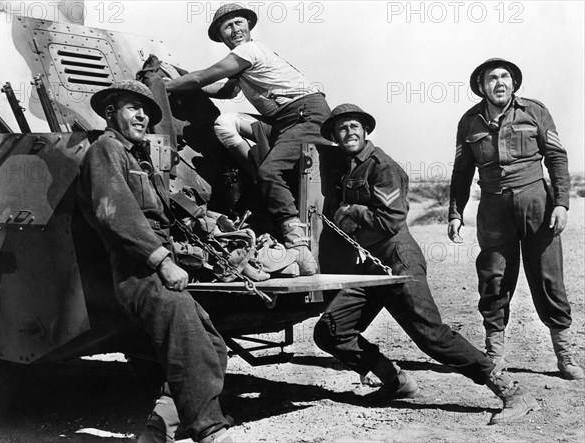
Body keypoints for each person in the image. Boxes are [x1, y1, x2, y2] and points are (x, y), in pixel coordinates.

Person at [313, 103, 540, 425]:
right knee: (331, 331)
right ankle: (395, 381)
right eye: (341, 129)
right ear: (336, 136)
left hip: (397, 261)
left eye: (353, 127)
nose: (348, 133)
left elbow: (391, 219)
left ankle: (512, 391)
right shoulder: (349, 168)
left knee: (431, 336)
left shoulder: (383, 166)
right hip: (370, 265)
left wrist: (350, 212)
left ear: (365, 131)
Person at [77, 80, 232, 443]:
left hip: (155, 267)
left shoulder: (135, 157)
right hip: (138, 271)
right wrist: (162, 261)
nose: (142, 115)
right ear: (111, 112)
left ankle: (160, 427)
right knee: (189, 339)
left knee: (213, 345)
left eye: (145, 110)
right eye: (132, 107)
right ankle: (209, 429)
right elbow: (116, 215)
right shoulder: (106, 151)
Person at [164, 3, 332, 275]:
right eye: (227, 27)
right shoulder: (241, 65)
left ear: (249, 26)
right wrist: (182, 75)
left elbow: (202, 78)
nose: (235, 29)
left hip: (306, 115)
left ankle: (297, 244)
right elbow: (224, 91)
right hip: (283, 121)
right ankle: (258, 178)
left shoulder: (249, 51)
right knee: (225, 122)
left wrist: (162, 85)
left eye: (239, 23)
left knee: (271, 171)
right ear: (222, 36)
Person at [447, 58, 584, 380]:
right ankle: (495, 353)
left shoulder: (535, 111)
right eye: (491, 78)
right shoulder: (469, 121)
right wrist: (455, 212)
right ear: (481, 86)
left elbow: (556, 158)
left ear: (513, 82)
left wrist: (561, 204)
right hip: (494, 208)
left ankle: (565, 354)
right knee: (493, 280)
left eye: (504, 76)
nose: (499, 82)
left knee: (549, 278)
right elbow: (462, 171)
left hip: (537, 204)